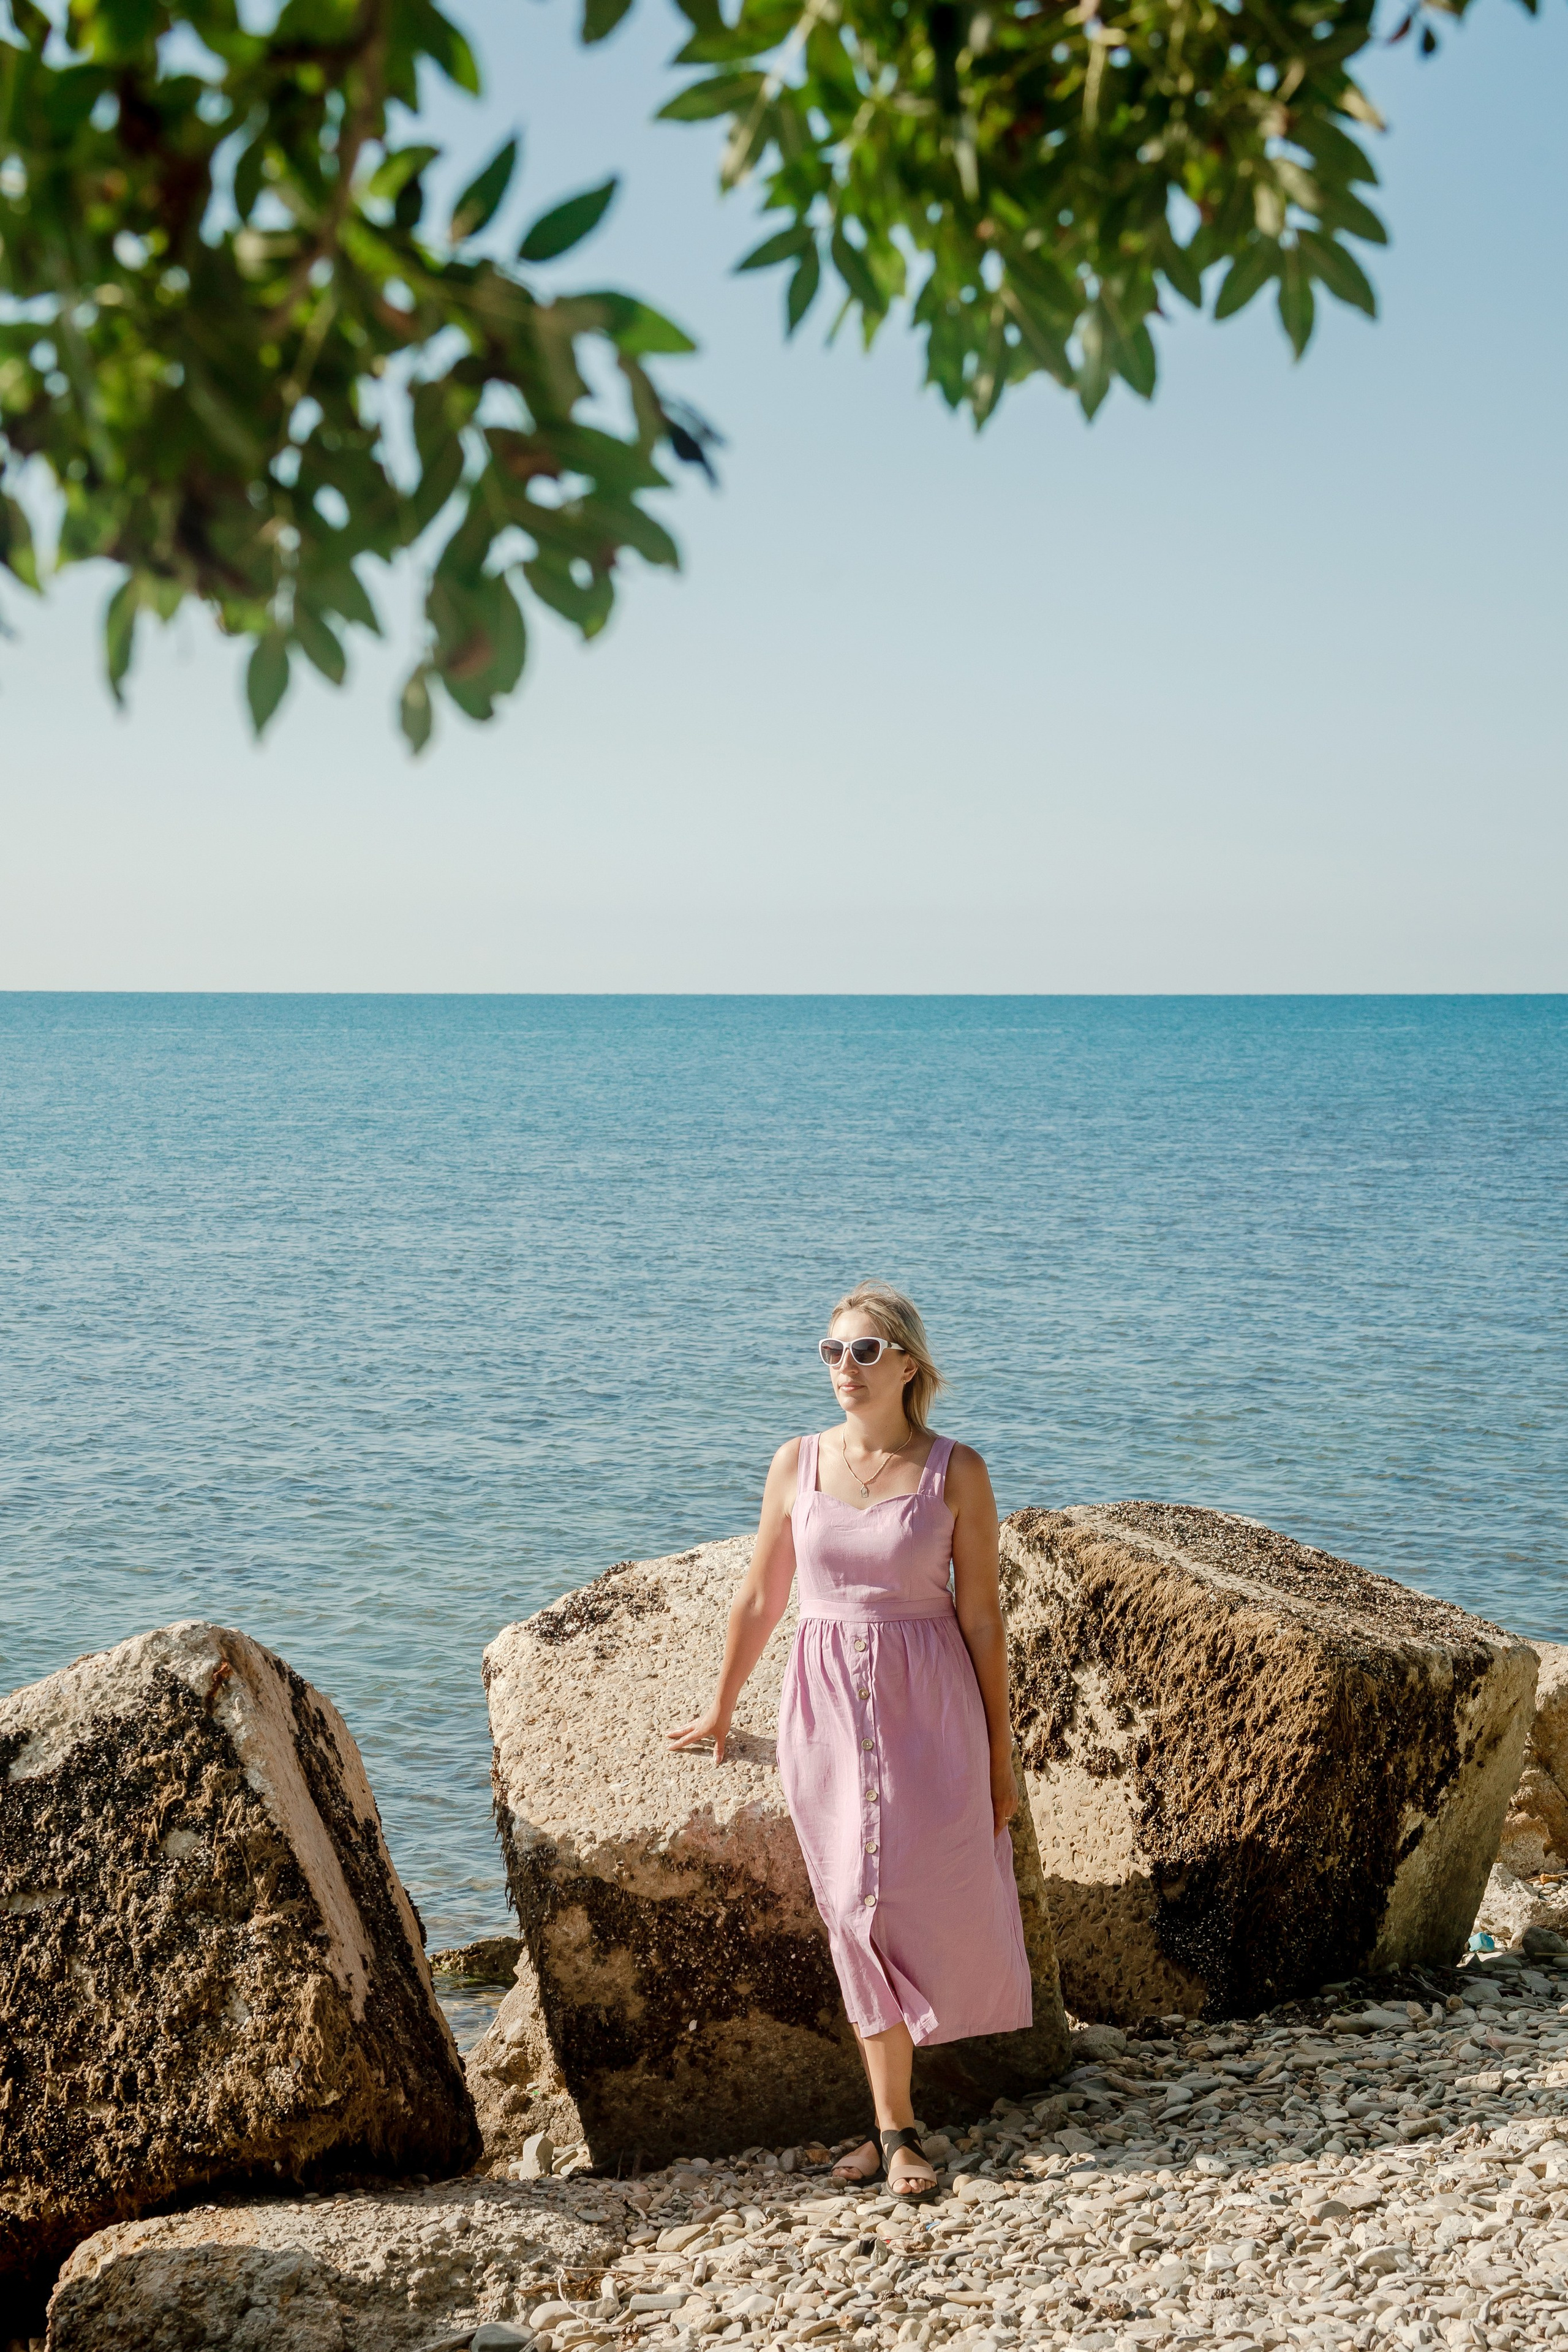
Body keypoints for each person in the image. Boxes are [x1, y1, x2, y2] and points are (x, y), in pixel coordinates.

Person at [668, 1280, 1031, 2203]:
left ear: (908, 1363)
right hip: (824, 1708)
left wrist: (1001, 1756)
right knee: (851, 1904)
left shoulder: (958, 1471)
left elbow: (983, 1619)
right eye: (832, 1351)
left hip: (931, 1707)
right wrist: (721, 1707)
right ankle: (895, 2130)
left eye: (864, 1351)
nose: (844, 1368)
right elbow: (763, 1594)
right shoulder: (796, 1463)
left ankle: (904, 2115)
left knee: (917, 1897)